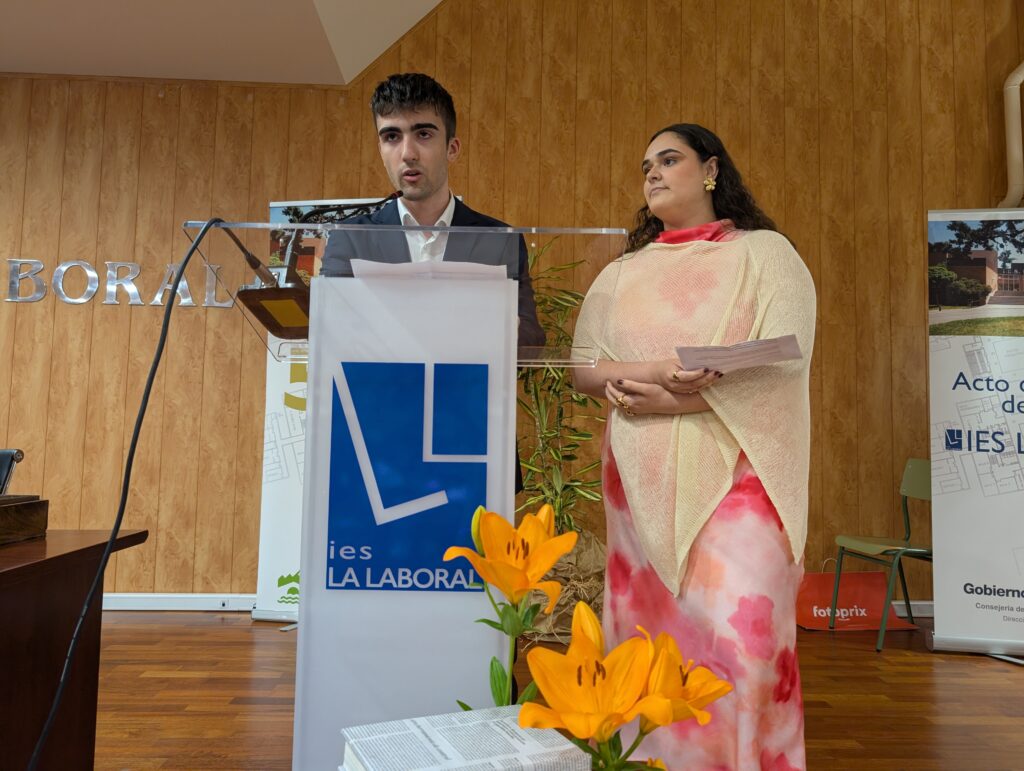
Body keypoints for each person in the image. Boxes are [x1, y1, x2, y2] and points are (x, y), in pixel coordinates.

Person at [572, 123, 815, 769]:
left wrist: (676, 401)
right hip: (639, 472)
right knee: (649, 649)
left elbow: (784, 362)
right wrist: (656, 375)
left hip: (743, 475)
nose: (652, 172)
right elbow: (582, 367)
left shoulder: (766, 255)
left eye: (669, 159)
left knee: (743, 644)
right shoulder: (621, 273)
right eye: (645, 165)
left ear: (711, 170)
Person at [320, 72, 544, 349]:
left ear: (452, 148)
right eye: (392, 136)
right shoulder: (350, 237)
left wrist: (495, 324)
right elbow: (330, 335)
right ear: (380, 149)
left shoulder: (498, 239)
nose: (407, 153)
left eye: (423, 134)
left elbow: (532, 340)